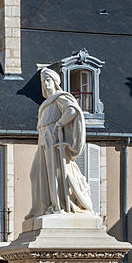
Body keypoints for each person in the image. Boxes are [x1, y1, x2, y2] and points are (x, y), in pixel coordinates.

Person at [34, 67, 94, 214]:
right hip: (44, 137)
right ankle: (52, 204)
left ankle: (59, 204)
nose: (46, 84)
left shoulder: (60, 97)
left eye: (48, 80)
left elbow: (72, 110)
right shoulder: (46, 103)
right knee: (45, 174)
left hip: (53, 137)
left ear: (55, 82)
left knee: (55, 172)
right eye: (43, 81)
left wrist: (59, 123)